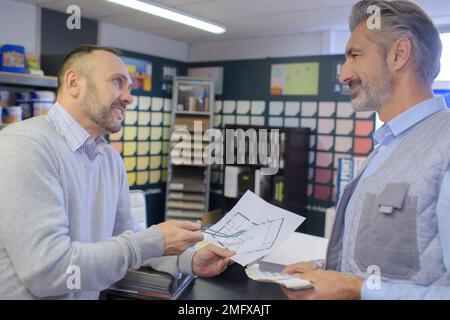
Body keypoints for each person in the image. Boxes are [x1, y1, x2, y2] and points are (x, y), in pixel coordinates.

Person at [0, 45, 234, 299]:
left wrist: (189, 260)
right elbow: (49, 271)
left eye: (129, 87)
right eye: (117, 82)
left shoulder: (109, 159)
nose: (128, 98)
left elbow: (127, 237)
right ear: (73, 82)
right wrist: (153, 240)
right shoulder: (25, 145)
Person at [282, 0, 450, 300]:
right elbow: (399, 263)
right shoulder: (387, 145)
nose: (343, 75)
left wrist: (354, 289)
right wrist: (328, 270)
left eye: (354, 56)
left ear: (399, 54)